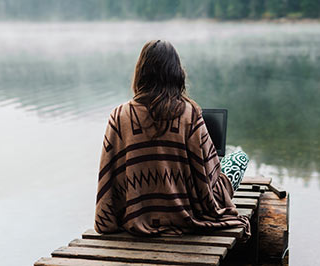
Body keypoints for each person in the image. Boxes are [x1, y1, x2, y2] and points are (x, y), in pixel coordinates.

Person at [94, 40, 250, 240]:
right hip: (189, 213)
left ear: (140, 73)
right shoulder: (190, 112)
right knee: (239, 157)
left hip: (137, 216)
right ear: (177, 73)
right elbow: (210, 178)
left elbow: (109, 177)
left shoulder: (119, 116)